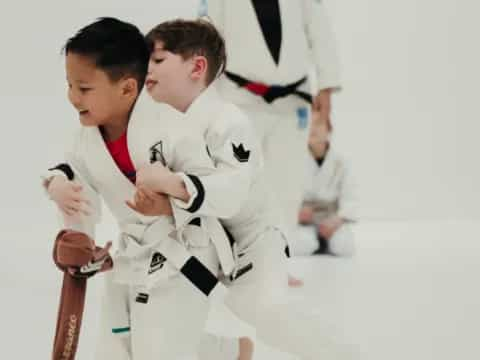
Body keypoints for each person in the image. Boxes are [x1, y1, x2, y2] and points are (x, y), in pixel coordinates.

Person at [131, 18, 355, 360]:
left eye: (158, 60)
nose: (148, 69)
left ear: (197, 66)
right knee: (162, 321)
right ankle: (230, 351)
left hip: (256, 240)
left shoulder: (229, 120)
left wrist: (172, 184)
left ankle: (344, 355)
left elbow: (232, 190)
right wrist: (158, 205)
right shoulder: (161, 124)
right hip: (204, 244)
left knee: (265, 313)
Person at [42, 17, 244, 360]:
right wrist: (61, 191)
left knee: (159, 350)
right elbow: (72, 178)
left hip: (185, 255)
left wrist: (169, 202)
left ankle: (229, 349)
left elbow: (215, 189)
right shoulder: (85, 140)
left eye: (84, 88)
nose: (72, 97)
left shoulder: (173, 126)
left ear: (127, 88)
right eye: (70, 85)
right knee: (114, 348)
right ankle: (222, 349)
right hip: (130, 257)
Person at [202, 0, 342, 284]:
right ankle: (232, 263)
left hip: (293, 101)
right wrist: (205, 98)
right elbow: (209, 36)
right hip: (239, 97)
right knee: (236, 182)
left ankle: (276, 264)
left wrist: (326, 88)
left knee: (286, 185)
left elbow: (320, 32)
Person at [297, 109, 357, 257]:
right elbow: (284, 193)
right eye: (309, 124)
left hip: (331, 217)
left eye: (317, 124)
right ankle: (316, 242)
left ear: (328, 128)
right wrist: (296, 213)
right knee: (302, 245)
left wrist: (337, 220)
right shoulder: (295, 159)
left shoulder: (342, 161)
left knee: (344, 247)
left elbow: (351, 196)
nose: (312, 129)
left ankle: (326, 242)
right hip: (304, 220)